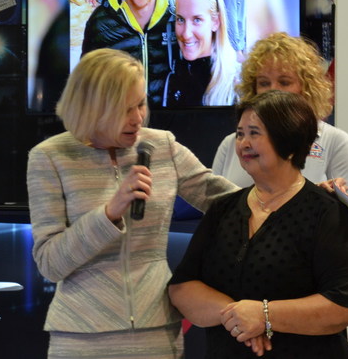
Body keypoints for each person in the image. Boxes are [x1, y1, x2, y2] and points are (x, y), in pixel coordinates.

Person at [26, 48, 237, 359]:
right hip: (79, 336)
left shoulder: (162, 145)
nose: (138, 118)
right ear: (91, 109)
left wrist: (303, 196)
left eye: (140, 104)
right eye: (124, 110)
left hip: (156, 330)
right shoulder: (49, 157)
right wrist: (109, 213)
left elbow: (229, 201)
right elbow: (50, 264)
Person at [168, 90, 348, 358]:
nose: (243, 143)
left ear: (289, 144)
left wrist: (265, 316)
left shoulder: (327, 211)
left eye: (254, 133)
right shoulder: (223, 208)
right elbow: (182, 288)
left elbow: (347, 304)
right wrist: (241, 316)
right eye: (240, 133)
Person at [212, 32, 348, 207]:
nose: (273, 90)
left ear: (306, 88)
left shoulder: (335, 141)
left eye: (284, 82)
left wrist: (324, 196)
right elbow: (214, 209)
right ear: (253, 88)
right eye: (264, 83)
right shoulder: (231, 145)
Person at [163, 0, 238, 107]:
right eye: (180, 19)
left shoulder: (236, 85)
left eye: (197, 20)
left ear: (215, 22)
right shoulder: (171, 75)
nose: (186, 34)